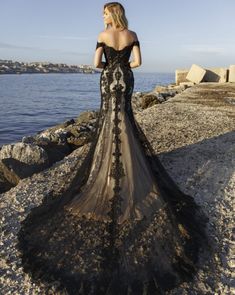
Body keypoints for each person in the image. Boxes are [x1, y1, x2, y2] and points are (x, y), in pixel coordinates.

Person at [17, 2, 207, 294]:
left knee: (109, 120)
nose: (102, 16)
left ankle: (106, 171)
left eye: (105, 12)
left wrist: (108, 60)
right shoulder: (132, 34)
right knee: (125, 119)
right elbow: (138, 63)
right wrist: (122, 64)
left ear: (111, 14)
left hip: (108, 80)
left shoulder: (102, 35)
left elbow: (95, 64)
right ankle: (131, 169)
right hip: (125, 80)